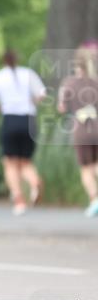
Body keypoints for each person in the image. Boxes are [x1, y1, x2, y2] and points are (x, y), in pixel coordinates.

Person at [0, 49, 46, 215]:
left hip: (10, 119)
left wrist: (0, 107)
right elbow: (42, 95)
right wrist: (31, 102)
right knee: (25, 161)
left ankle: (18, 199)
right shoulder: (28, 74)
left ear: (3, 61)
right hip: (28, 120)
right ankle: (34, 182)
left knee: (10, 162)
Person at [57, 45, 98, 217]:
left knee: (85, 168)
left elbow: (61, 107)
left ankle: (94, 199)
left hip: (81, 129)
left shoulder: (68, 83)